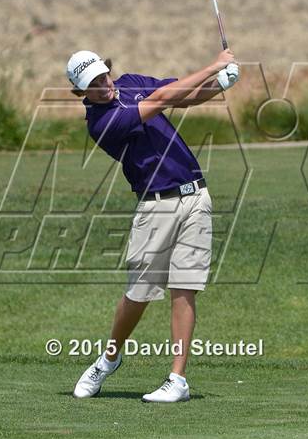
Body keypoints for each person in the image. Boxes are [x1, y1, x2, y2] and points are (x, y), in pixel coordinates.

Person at [66, 49, 239, 402]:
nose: (104, 86)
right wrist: (212, 66)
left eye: (103, 77)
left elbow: (181, 96)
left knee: (185, 287)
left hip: (196, 197)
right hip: (155, 207)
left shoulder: (131, 84)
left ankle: (177, 379)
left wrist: (218, 84)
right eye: (93, 85)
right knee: (139, 294)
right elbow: (161, 100)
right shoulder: (101, 124)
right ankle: (109, 358)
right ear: (81, 93)